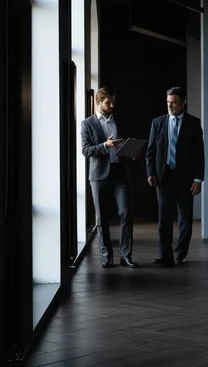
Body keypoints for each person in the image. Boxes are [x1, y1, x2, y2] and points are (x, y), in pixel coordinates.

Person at [145, 86, 205, 266]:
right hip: (163, 178)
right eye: (168, 102)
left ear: (183, 103)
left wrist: (197, 179)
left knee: (185, 219)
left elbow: (199, 154)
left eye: (174, 102)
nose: (170, 105)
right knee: (164, 219)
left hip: (186, 179)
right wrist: (150, 173)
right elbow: (150, 152)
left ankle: (180, 254)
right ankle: (165, 256)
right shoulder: (158, 122)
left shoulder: (193, 123)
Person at [81, 87, 138, 268]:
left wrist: (132, 152)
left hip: (120, 171)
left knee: (126, 213)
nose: (112, 105)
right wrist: (105, 145)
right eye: (108, 102)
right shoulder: (87, 124)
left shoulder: (121, 120)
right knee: (101, 217)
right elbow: (85, 150)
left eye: (113, 101)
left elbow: (127, 142)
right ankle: (107, 256)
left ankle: (126, 255)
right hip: (98, 175)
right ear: (98, 102)